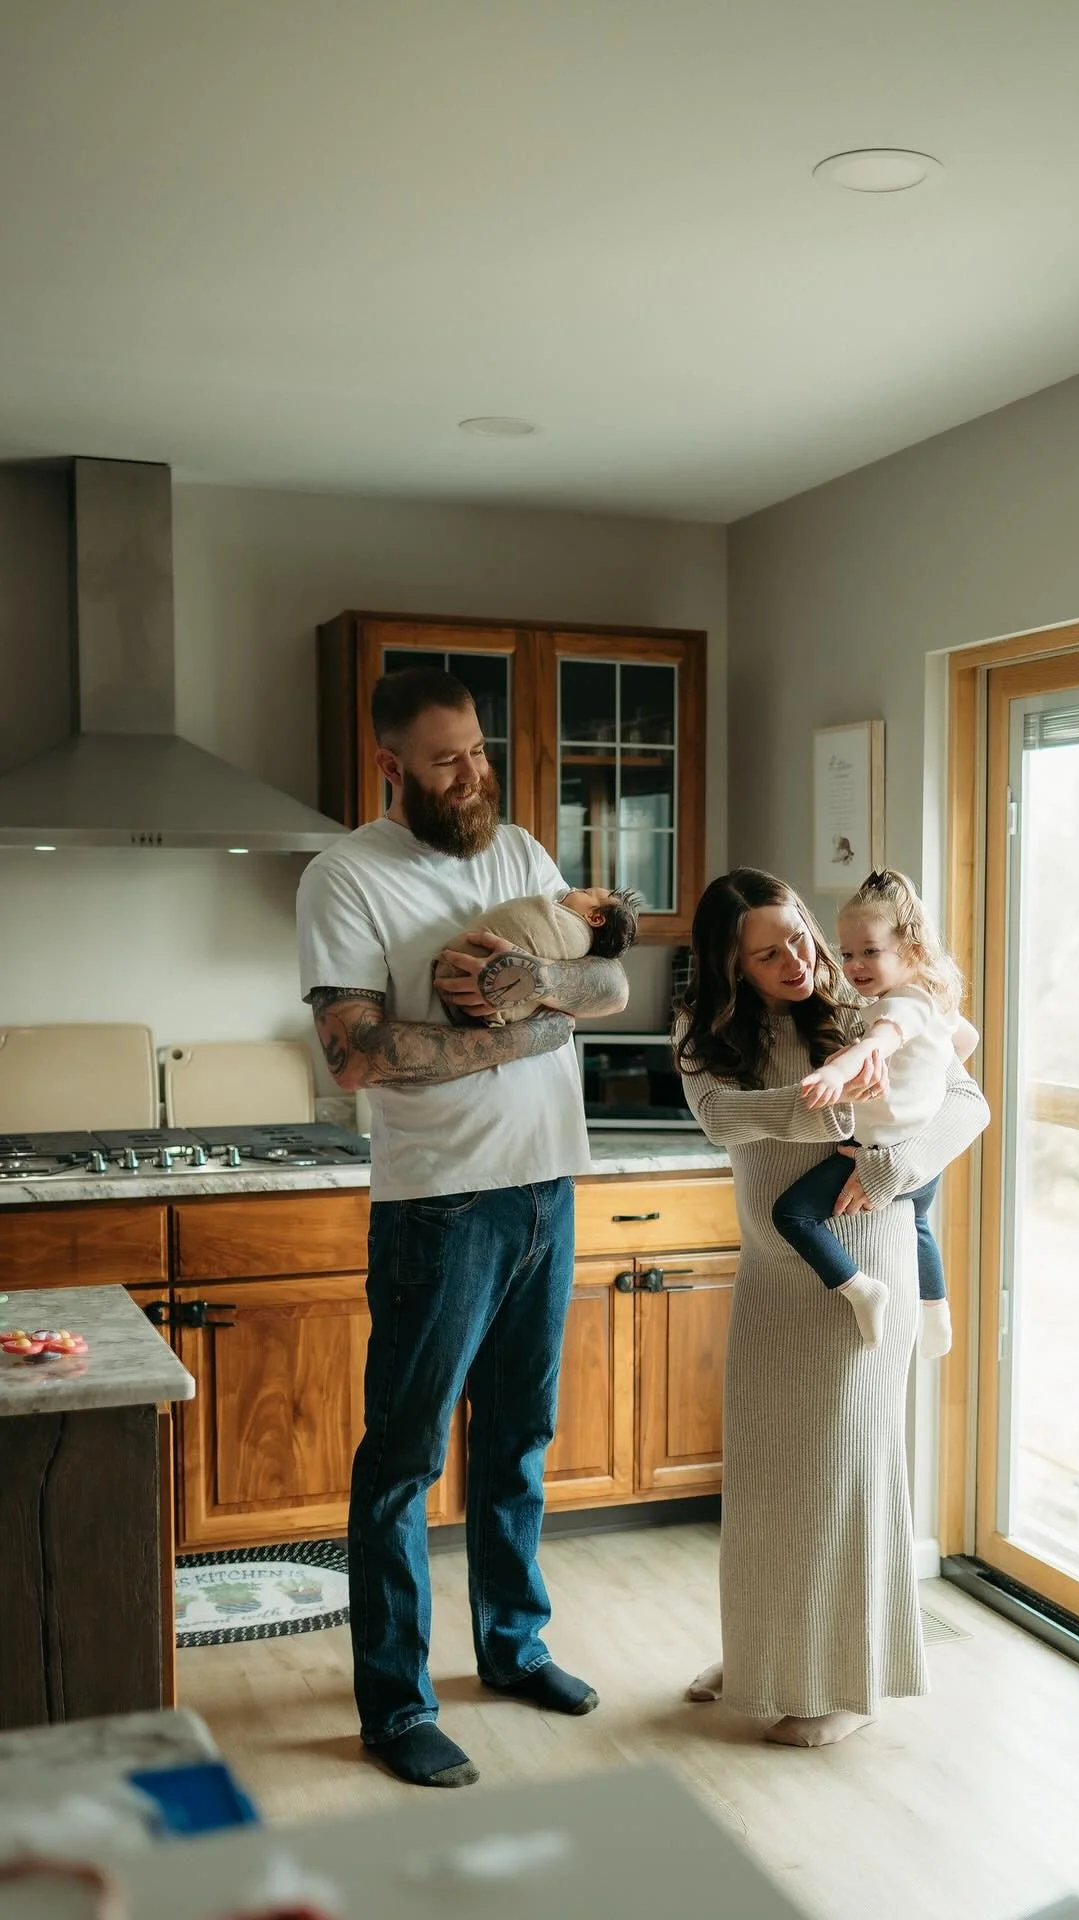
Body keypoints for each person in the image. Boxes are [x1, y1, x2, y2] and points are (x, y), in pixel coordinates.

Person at [296, 665, 629, 1790]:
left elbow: (604, 987)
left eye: (480, 750)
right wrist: (526, 1027)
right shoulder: (346, 878)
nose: (473, 773)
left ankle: (514, 1646)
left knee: (519, 1440)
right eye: (448, 759)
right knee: (401, 1461)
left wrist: (538, 989)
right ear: (392, 763)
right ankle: (396, 1706)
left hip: (549, 1186)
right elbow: (357, 1052)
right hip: (440, 1206)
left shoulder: (523, 853)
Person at [674, 868, 989, 1747]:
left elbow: (967, 1103)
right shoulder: (703, 1033)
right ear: (728, 965)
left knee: (843, 1477)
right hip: (777, 1275)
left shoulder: (861, 1008)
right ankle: (765, 1657)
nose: (802, 961)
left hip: (867, 1268)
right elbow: (723, 1119)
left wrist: (883, 1165)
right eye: (769, 953)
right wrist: (830, 1110)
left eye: (803, 939)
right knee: (770, 1477)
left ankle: (848, 1682)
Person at [771, 869, 979, 1361]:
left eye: (870, 951)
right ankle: (936, 1312)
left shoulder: (901, 1007)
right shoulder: (931, 998)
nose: (854, 965)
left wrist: (834, 1075)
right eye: (846, 953)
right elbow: (965, 1041)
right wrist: (923, 1082)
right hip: (920, 1156)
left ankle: (860, 1287)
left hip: (881, 1152)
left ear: (910, 951)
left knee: (792, 1214)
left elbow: (878, 1043)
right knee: (919, 1227)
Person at [433, 884, 639, 1024]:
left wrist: (532, 976)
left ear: (594, 918)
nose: (574, 888)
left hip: (456, 976)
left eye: (585, 892)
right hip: (480, 1016)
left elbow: (618, 994)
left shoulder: (571, 931)